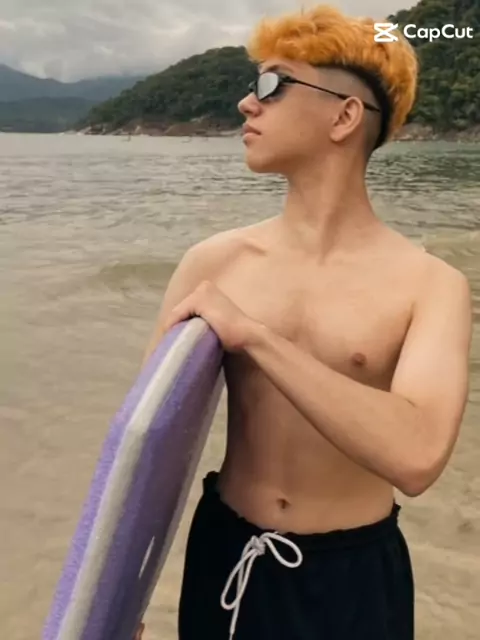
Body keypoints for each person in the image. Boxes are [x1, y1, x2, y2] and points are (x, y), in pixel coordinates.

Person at [136, 5, 472, 639]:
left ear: (344, 117)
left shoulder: (430, 285)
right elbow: (152, 445)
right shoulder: (214, 263)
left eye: (272, 84)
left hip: (353, 576)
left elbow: (418, 455)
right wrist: (116, 601)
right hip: (225, 554)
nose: (246, 103)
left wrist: (255, 337)